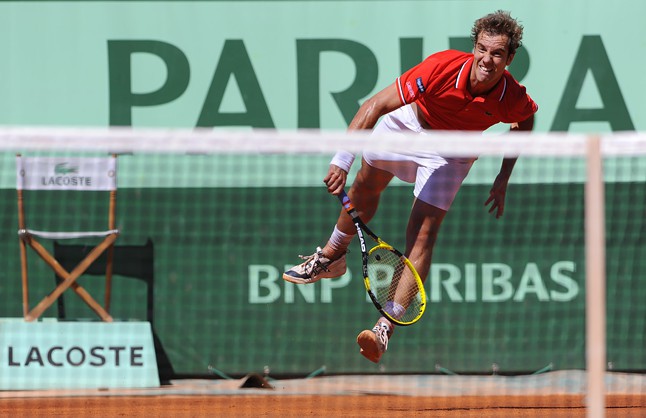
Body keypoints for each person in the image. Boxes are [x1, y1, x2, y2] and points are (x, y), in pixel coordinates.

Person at [283, 10, 538, 363]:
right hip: (410, 125)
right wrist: (342, 159)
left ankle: (385, 327)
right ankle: (331, 257)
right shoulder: (441, 68)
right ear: (474, 47)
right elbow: (375, 105)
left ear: (509, 59)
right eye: (482, 49)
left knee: (422, 235)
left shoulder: (512, 96)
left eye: (497, 53)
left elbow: (525, 121)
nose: (487, 59)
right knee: (365, 186)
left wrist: (503, 176)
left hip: (452, 151)